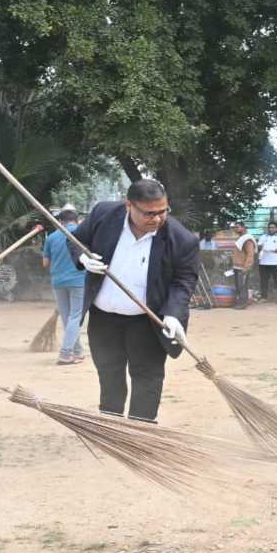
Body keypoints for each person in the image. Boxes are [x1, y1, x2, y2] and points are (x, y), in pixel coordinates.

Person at [73, 179, 200, 422]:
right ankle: (110, 422)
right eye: (149, 213)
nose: (157, 219)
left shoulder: (181, 239)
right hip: (104, 318)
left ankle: (141, 429)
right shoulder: (104, 214)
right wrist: (83, 259)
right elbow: (75, 240)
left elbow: (184, 280)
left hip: (147, 321)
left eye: (163, 211)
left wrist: (173, 314)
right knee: (109, 371)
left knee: (148, 375)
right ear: (128, 205)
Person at [43, 206, 88, 365]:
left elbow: (45, 263)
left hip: (58, 281)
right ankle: (65, 353)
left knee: (67, 318)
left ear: (60, 221)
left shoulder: (52, 237)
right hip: (78, 280)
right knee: (75, 317)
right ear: (77, 220)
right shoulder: (83, 234)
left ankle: (78, 351)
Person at [257, 221, 277, 303]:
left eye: (273, 227)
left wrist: (272, 249)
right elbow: (259, 247)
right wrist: (261, 246)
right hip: (263, 262)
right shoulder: (263, 237)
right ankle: (264, 298)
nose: (271, 229)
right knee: (263, 281)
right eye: (269, 227)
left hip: (276, 262)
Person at [231, 221, 255, 309]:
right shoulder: (241, 238)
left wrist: (246, 267)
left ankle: (243, 303)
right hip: (237, 266)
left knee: (243, 285)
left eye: (238, 227)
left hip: (243, 266)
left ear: (244, 227)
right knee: (238, 285)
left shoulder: (247, 239)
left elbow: (250, 254)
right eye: (235, 227)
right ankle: (239, 302)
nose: (236, 229)